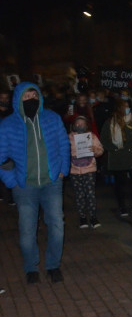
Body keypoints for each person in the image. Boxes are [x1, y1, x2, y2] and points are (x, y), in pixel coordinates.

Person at [0, 82, 71, 283]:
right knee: (27, 230)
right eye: (26, 96)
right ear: (18, 99)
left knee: (57, 225)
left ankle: (53, 265)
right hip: (25, 186)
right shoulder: (8, 125)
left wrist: (62, 170)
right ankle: (31, 267)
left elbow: (64, 145)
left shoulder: (52, 118)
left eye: (34, 95)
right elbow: (1, 157)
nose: (31, 99)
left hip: (52, 183)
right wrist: (12, 180)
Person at [101, 99, 132, 217]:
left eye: (128, 106)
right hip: (118, 158)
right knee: (120, 184)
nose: (127, 108)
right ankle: (122, 206)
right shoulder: (110, 123)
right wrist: (114, 149)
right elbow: (104, 140)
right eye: (124, 106)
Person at [68, 115, 104, 229]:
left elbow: (101, 150)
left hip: (89, 169)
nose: (79, 126)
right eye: (77, 123)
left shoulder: (92, 137)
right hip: (74, 170)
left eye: (82, 124)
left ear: (86, 125)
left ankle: (93, 217)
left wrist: (95, 150)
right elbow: (63, 151)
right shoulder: (69, 138)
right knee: (79, 195)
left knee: (90, 194)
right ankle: (82, 217)